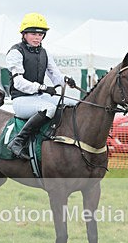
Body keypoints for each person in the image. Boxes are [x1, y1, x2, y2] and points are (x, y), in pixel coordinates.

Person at [6, 12, 78, 159]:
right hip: (21, 100)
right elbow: (18, 83)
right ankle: (18, 141)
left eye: (40, 34)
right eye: (33, 34)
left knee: (74, 103)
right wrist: (41, 87)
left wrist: (66, 80)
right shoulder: (15, 52)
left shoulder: (44, 52)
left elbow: (55, 75)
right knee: (49, 108)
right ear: (24, 34)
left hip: (38, 97)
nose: (37, 37)